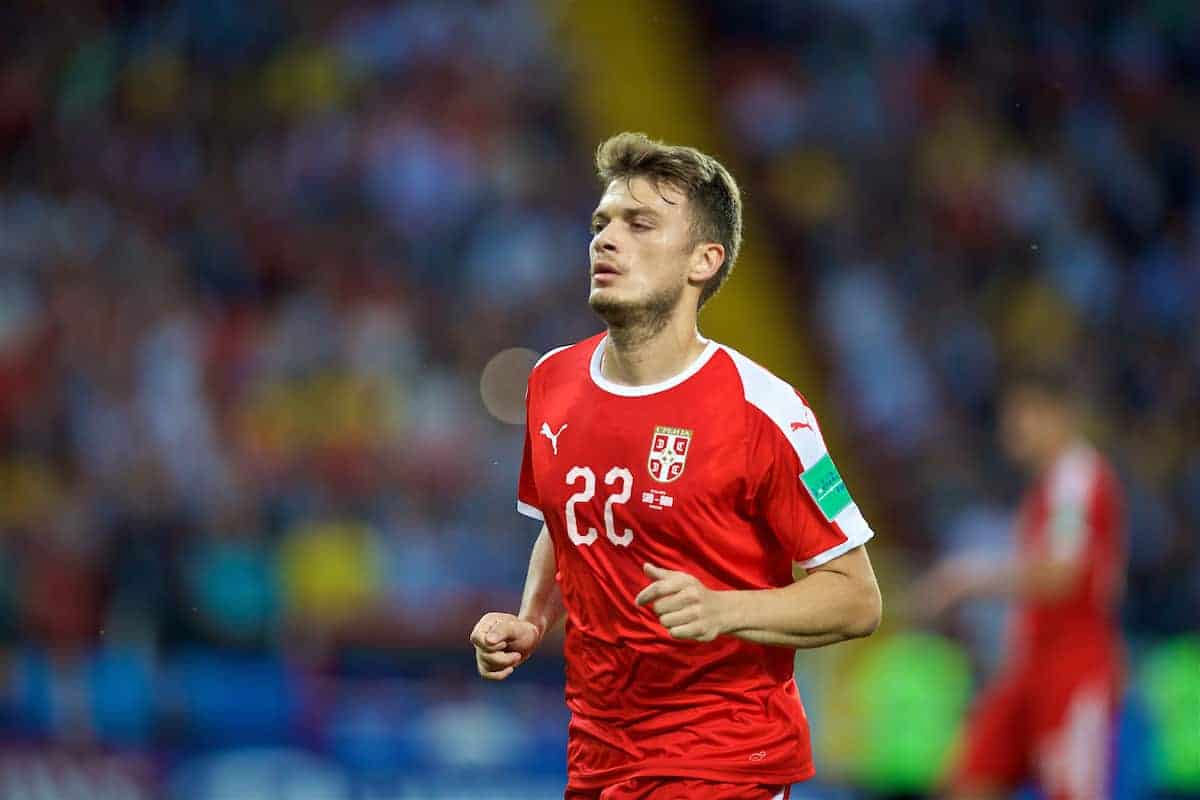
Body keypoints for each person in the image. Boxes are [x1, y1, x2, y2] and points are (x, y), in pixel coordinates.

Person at [469, 132, 882, 800]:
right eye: (601, 223)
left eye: (640, 225)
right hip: (599, 759)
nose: (606, 240)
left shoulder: (765, 412)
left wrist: (724, 609)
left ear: (703, 261)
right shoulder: (551, 382)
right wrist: (531, 621)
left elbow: (857, 597)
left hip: (724, 761)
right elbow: (567, 522)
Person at [916, 367, 1127, 800]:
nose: (1011, 425)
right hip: (1029, 667)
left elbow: (1061, 574)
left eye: (1024, 411)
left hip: (1072, 668)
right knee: (969, 782)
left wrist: (967, 579)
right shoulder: (1049, 487)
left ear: (1060, 414)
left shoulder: (1077, 478)